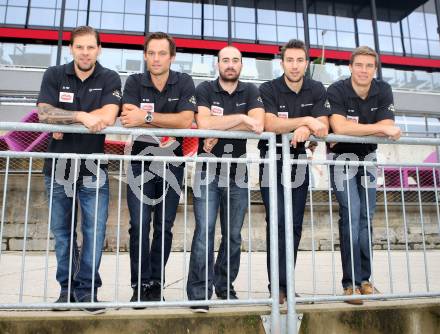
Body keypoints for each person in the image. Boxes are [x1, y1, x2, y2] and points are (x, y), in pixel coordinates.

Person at [37, 25, 121, 314]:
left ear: (99, 49)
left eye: (90, 47)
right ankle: (66, 291)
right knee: (62, 233)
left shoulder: (110, 77)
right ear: (71, 48)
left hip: (92, 169)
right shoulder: (54, 75)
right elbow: (44, 113)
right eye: (79, 47)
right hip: (57, 168)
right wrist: (83, 116)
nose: (85, 53)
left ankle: (87, 293)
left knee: (94, 233)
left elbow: (109, 116)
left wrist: (65, 121)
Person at [186, 46, 264, 313]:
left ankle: (224, 286)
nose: (230, 65)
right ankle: (198, 294)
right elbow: (205, 123)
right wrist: (241, 118)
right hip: (208, 169)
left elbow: (259, 125)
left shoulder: (252, 91)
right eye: (225, 60)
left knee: (232, 236)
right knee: (204, 233)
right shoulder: (205, 89)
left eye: (235, 60)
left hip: (238, 172)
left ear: (241, 65)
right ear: (217, 64)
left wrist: (221, 125)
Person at [120, 32, 196, 306]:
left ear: (172, 57)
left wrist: (148, 117)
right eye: (151, 53)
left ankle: (156, 284)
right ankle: (140, 285)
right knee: (139, 225)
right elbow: (129, 118)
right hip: (140, 162)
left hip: (171, 164)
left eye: (162, 53)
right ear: (145, 55)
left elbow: (186, 121)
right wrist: (166, 122)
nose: (156, 58)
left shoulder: (184, 81)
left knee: (164, 226)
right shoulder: (134, 81)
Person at [327, 46, 401, 305]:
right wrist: (377, 129)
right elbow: (338, 127)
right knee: (351, 215)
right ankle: (350, 285)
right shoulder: (336, 90)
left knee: (366, 219)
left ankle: (365, 280)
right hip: (342, 159)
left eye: (369, 66)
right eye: (359, 65)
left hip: (368, 159)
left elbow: (389, 126)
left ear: (375, 69)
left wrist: (361, 129)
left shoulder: (383, 90)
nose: (364, 70)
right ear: (350, 67)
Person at [258, 39, 330, 304]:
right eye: (290, 60)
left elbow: (323, 125)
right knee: (276, 223)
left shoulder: (317, 88)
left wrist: (307, 128)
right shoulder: (268, 88)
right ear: (282, 62)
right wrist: (305, 121)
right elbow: (269, 122)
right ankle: (276, 287)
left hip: (300, 160)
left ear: (307, 63)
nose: (295, 65)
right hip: (272, 160)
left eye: (300, 60)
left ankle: (287, 284)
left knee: (295, 225)